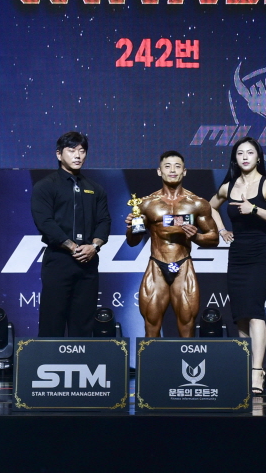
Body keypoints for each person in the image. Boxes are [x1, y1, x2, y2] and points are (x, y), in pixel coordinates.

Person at [209, 136, 266, 395]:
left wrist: (254, 209)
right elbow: (209, 207)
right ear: (235, 158)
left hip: (259, 255)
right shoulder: (228, 187)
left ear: (258, 157)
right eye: (240, 153)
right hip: (237, 256)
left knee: (254, 312)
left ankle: (257, 371)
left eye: (250, 152)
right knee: (241, 315)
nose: (245, 157)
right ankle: (247, 366)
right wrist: (221, 229)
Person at [125, 151, 219, 338]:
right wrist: (133, 227)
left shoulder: (198, 204)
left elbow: (214, 238)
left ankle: (186, 358)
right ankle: (151, 359)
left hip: (183, 265)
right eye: (167, 166)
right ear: (159, 171)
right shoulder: (146, 204)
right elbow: (132, 242)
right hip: (157, 265)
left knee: (187, 324)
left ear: (185, 171)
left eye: (177, 166)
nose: (173, 170)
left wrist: (195, 237)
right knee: (151, 324)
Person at [30, 131, 110, 338]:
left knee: (83, 321)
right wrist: (72, 247)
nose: (78, 155)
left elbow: (104, 221)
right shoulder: (45, 186)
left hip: (88, 261)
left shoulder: (95, 189)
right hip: (59, 260)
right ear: (59, 154)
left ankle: (82, 359)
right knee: (52, 320)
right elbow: (45, 222)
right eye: (72, 150)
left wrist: (94, 246)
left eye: (82, 151)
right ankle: (48, 358)